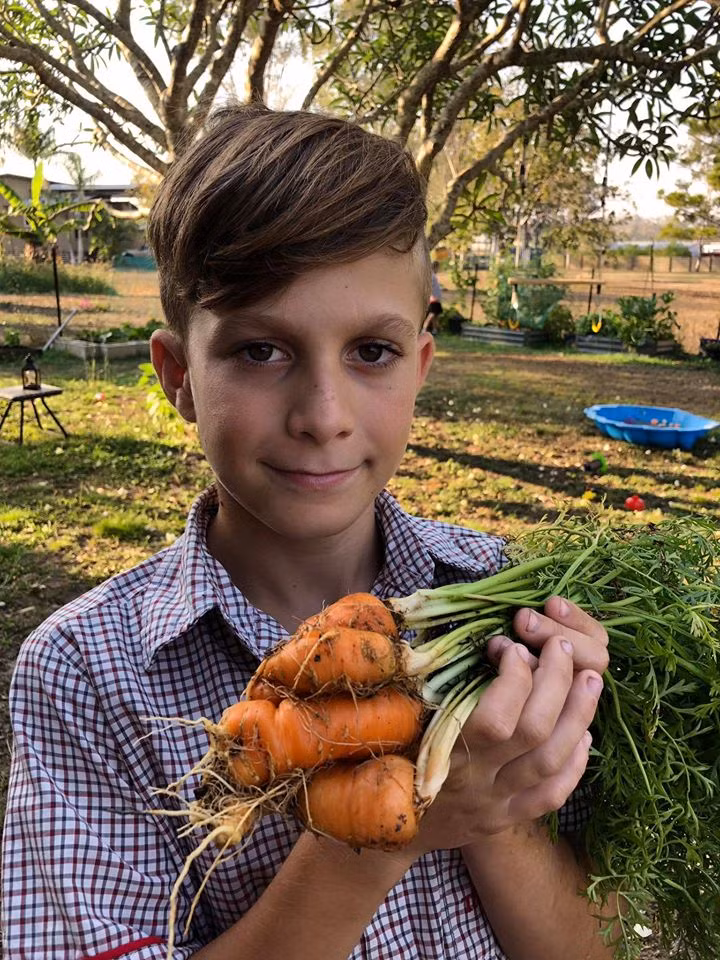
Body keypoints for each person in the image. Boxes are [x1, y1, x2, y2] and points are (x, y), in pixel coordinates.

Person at [2, 104, 613, 960]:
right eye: (261, 351)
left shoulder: (520, 615)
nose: (324, 417)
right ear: (179, 377)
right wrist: (383, 835)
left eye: (371, 352)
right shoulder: (85, 672)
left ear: (420, 368)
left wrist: (490, 802)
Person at [423, 261, 443, 334]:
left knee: (435, 316)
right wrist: (431, 296)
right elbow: (428, 287)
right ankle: (424, 328)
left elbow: (435, 287)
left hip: (436, 298)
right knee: (432, 314)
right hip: (434, 299)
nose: (438, 269)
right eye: (438, 268)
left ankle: (435, 329)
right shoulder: (431, 275)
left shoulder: (433, 275)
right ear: (435, 267)